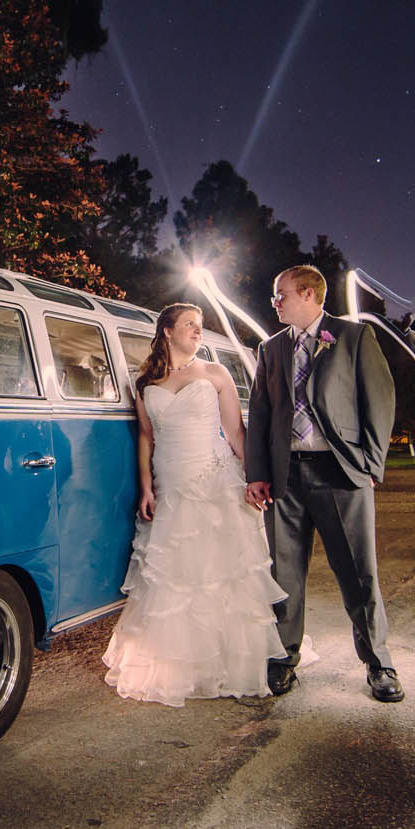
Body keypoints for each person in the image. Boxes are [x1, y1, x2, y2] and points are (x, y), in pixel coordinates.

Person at [103, 303, 288, 706]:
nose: (197, 331)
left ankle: (230, 664)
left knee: (218, 574)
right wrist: (146, 487)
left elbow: (235, 433)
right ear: (167, 332)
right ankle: (180, 667)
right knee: (175, 578)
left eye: (200, 326)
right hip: (170, 485)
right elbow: (146, 438)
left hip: (214, 481)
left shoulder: (214, 373)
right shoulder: (144, 381)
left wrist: (255, 476)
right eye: (189, 325)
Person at [244, 264, 403, 702]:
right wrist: (257, 473)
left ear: (309, 294)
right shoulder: (270, 349)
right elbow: (259, 414)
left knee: (358, 572)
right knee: (284, 573)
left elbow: (380, 402)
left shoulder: (353, 339)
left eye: (281, 295)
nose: (274, 303)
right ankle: (283, 659)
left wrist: (371, 463)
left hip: (340, 471)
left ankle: (379, 663)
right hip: (284, 477)